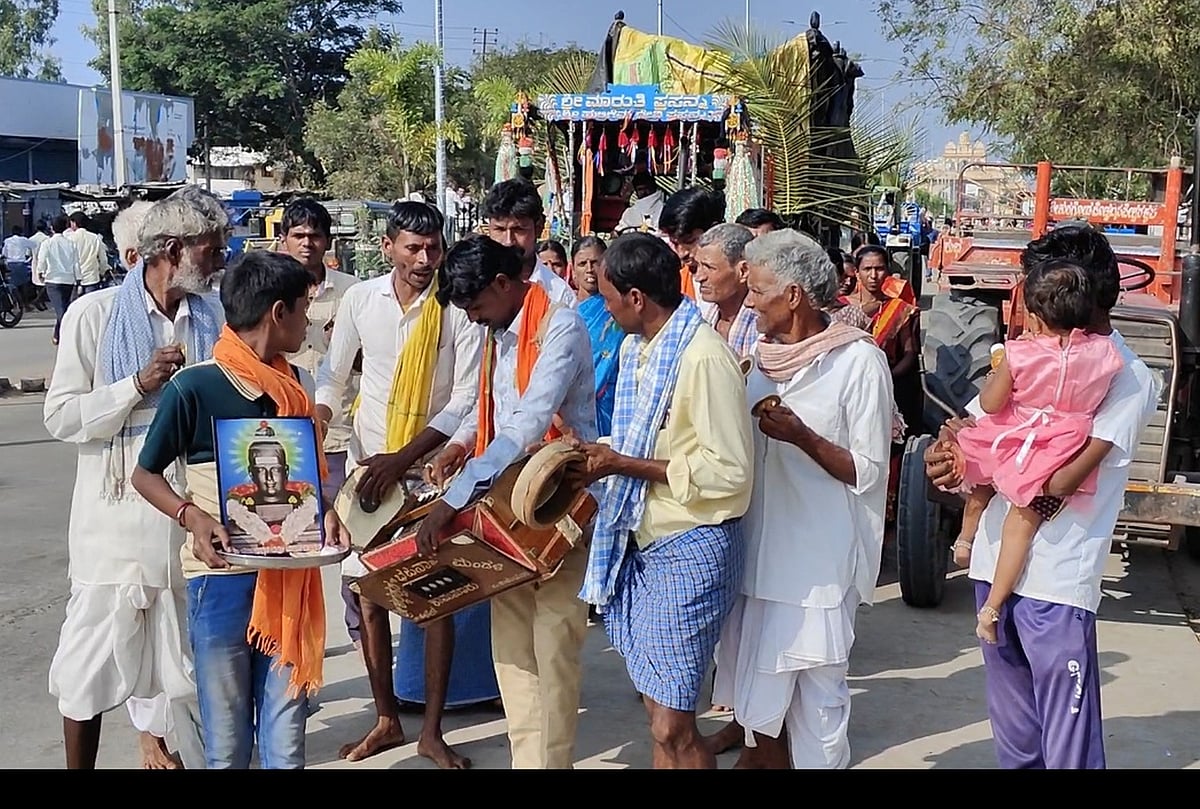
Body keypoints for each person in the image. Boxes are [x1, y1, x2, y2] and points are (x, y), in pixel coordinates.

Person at [924, 223, 1160, 769]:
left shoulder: (1125, 377)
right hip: (993, 570)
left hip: (1057, 582)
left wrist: (978, 464)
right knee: (1015, 734)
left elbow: (1055, 485)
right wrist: (952, 458)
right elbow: (977, 428)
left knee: (1067, 744)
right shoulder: (1030, 358)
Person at [132, 250, 352, 769]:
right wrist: (194, 517)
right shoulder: (195, 386)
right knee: (226, 737)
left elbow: (307, 480)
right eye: (303, 309)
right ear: (278, 314)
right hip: (221, 577)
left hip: (289, 573)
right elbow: (145, 474)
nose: (308, 321)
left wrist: (326, 510)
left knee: (285, 729)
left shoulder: (294, 386)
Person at [43, 187, 229, 770]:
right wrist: (136, 386)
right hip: (112, 533)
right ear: (171, 250)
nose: (222, 257)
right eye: (211, 248)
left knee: (192, 678)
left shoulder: (213, 315)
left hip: (186, 526)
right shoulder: (93, 315)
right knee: (87, 676)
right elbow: (63, 416)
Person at [570, 232, 754, 770]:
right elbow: (639, 440)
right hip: (642, 542)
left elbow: (730, 473)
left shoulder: (702, 358)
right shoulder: (639, 350)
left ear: (635, 298)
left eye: (606, 299)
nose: (601, 311)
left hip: (693, 545)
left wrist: (622, 464)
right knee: (659, 718)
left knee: (674, 723)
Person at [710, 229, 892, 769]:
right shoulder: (758, 361)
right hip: (756, 563)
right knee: (758, 712)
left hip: (817, 569)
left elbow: (868, 471)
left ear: (793, 296)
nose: (749, 302)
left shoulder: (858, 363)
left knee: (818, 708)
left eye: (759, 291)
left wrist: (803, 438)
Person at [315, 201, 487, 769]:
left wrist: (406, 458)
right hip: (369, 470)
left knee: (433, 597)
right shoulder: (361, 300)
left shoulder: (457, 305)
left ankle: (432, 732)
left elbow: (466, 395)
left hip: (431, 471)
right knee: (366, 597)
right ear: (387, 246)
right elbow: (334, 375)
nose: (424, 258)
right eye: (412, 247)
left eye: (433, 247)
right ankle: (386, 718)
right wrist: (316, 424)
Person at [420, 233, 597, 769]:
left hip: (559, 503)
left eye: (475, 307)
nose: (473, 319)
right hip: (500, 504)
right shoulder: (500, 329)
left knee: (554, 650)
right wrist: (455, 451)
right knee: (512, 651)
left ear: (502, 284)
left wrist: (452, 500)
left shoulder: (558, 323)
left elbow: (528, 423)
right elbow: (488, 409)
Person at [944, 260, 1124, 643]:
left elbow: (991, 405)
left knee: (982, 469)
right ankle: (991, 609)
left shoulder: (1020, 354)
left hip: (1018, 434)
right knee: (1019, 527)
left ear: (1036, 316)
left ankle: (966, 536)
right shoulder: (1107, 355)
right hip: (1063, 446)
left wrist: (999, 375)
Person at [278, 198, 361, 641]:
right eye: (299, 236)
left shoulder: (353, 293)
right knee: (291, 552)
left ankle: (363, 638)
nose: (307, 244)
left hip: (343, 437)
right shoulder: (267, 290)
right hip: (286, 440)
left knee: (354, 546)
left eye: (315, 236)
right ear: (284, 240)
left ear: (328, 241)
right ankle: (294, 652)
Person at [483, 179, 576, 308]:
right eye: (500, 229)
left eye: (518, 230)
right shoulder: (476, 286)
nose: (508, 241)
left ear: (539, 228)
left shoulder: (559, 295)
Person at [572, 236, 622, 438]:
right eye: (582, 264)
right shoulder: (566, 309)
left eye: (596, 262)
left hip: (612, 401)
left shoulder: (618, 307)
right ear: (573, 269)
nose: (590, 269)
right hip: (574, 406)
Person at [694, 223, 758, 357]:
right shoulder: (702, 316)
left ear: (743, 271)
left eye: (709, 267)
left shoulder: (762, 328)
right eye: (698, 266)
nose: (699, 277)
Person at [659, 187, 726, 301]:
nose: (682, 253)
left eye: (689, 241)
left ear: (713, 229)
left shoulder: (734, 280)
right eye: (675, 244)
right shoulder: (677, 281)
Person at [40, 215, 82, 345]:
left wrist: (40, 272)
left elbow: (42, 260)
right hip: (68, 280)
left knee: (61, 310)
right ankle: (58, 335)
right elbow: (76, 263)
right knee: (63, 307)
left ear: (51, 228)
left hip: (53, 280)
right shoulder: (71, 244)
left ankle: (66, 335)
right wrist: (78, 278)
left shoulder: (47, 243)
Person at [67, 211, 107, 296]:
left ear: (74, 223)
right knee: (91, 305)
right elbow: (103, 259)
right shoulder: (95, 238)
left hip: (74, 278)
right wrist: (102, 272)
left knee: (74, 306)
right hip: (91, 277)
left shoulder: (69, 239)